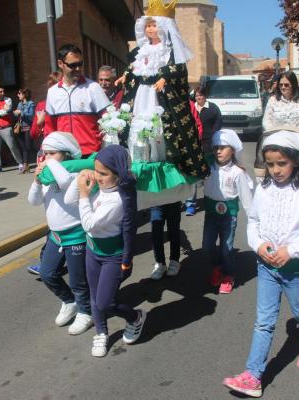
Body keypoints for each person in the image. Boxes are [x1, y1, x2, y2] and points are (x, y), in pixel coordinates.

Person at [222, 130, 299, 398]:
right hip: (266, 266)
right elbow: (255, 221)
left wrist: (292, 251)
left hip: (295, 269)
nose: (276, 170)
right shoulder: (264, 189)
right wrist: (259, 244)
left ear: (295, 162)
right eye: (270, 164)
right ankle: (253, 375)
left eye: (281, 163)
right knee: (264, 321)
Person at [65, 145, 146, 357]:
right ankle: (101, 332)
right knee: (94, 297)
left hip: (112, 255)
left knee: (105, 302)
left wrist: (84, 193)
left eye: (104, 173)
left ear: (118, 175)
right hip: (93, 251)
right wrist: (80, 182)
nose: (98, 177)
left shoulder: (118, 199)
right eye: (96, 170)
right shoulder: (99, 189)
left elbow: (89, 224)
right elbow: (68, 201)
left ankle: (135, 317)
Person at [115, 8, 209, 179]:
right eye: (148, 26)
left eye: (154, 25)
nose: (150, 29)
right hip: (142, 93)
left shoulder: (169, 50)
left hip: (159, 95)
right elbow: (134, 68)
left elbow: (178, 68)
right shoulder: (141, 49)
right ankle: (139, 153)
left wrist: (165, 77)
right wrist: (124, 76)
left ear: (164, 28)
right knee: (137, 118)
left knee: (159, 120)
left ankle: (161, 155)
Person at [28, 132, 93, 335]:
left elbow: (65, 182)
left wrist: (51, 164)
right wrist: (37, 181)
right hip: (56, 236)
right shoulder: (49, 174)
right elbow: (33, 201)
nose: (46, 158)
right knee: (47, 274)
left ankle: (86, 312)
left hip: (76, 234)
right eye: (44, 153)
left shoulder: (75, 173)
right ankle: (69, 301)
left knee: (78, 280)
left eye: (52, 153)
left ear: (65, 154)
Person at [203, 129, 253, 294]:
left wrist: (253, 221)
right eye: (216, 147)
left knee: (227, 247)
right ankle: (217, 267)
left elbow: (246, 199)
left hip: (228, 216)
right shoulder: (208, 167)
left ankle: (228, 274)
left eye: (223, 147)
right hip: (211, 214)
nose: (218, 150)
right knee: (207, 246)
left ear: (232, 150)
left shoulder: (238, 173)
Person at [44, 44, 110, 157]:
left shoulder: (93, 87)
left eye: (80, 64)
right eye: (73, 65)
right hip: (64, 155)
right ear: (60, 64)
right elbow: (49, 128)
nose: (78, 69)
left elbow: (109, 120)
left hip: (91, 153)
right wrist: (47, 153)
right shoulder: (52, 92)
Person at [27, 71, 63, 276]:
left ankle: (50, 261)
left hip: (64, 159)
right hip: (46, 158)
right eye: (54, 87)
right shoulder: (42, 106)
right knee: (51, 207)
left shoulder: (67, 105)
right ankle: (49, 261)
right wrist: (40, 123)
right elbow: (33, 134)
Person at [255, 72, 299, 181]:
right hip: (279, 141)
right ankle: (261, 176)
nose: (283, 87)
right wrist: (273, 135)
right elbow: (266, 121)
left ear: (293, 84)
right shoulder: (273, 100)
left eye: (286, 85)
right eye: (281, 85)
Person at [185, 86, 222, 216]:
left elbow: (218, 126)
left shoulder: (213, 108)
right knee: (193, 176)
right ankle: (190, 204)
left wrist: (214, 142)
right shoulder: (190, 107)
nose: (198, 98)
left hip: (208, 146)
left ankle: (209, 199)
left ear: (205, 96)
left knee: (208, 175)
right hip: (193, 147)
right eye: (196, 96)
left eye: (200, 95)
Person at [0, 85, 23, 173]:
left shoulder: (8, 100)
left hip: (6, 127)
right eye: (0, 91)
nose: (3, 93)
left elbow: (7, 111)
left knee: (12, 146)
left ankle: (20, 163)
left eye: (3, 91)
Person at [13, 88, 35, 174]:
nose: (18, 95)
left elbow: (31, 115)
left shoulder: (31, 103)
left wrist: (20, 112)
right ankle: (26, 166)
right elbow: (17, 116)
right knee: (23, 147)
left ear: (24, 94)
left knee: (28, 147)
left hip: (28, 128)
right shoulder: (19, 104)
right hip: (20, 128)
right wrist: (16, 113)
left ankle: (27, 165)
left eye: (19, 93)